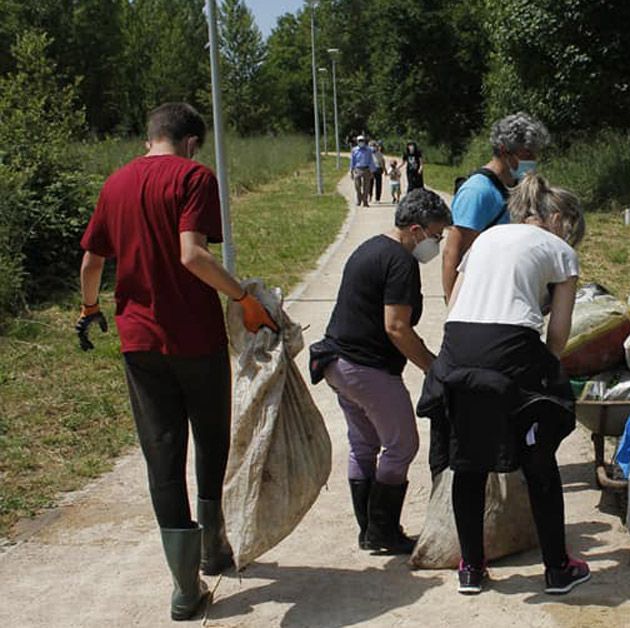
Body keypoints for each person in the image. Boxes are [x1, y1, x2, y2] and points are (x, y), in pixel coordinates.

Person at [75, 102, 279, 621]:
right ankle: (213, 549)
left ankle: (185, 590)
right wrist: (242, 298)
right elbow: (193, 253)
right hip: (194, 339)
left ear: (151, 137)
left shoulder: (114, 183)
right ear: (189, 140)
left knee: (162, 454)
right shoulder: (193, 177)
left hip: (139, 342)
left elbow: (92, 260)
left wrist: (90, 307)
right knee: (209, 439)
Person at [418, 174, 589, 596]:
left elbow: (455, 304)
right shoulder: (560, 250)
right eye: (566, 225)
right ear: (554, 218)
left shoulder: (484, 241)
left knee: (468, 460)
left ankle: (471, 569)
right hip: (512, 348)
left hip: (457, 348)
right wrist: (546, 376)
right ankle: (557, 568)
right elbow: (560, 334)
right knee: (539, 457)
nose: (567, 233)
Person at [315, 188, 450, 555]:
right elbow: (397, 327)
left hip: (337, 364)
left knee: (364, 445)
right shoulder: (400, 261)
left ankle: (368, 531)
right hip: (366, 368)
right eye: (436, 235)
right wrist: (432, 367)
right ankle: (383, 531)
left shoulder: (370, 247)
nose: (436, 243)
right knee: (402, 444)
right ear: (417, 229)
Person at [441, 112, 549, 300]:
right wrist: (453, 308)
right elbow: (452, 253)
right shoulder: (477, 191)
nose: (533, 159)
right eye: (527, 154)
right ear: (503, 150)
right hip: (479, 295)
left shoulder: (514, 185)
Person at [350, 135, 374, 207]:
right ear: (357, 142)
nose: (361, 142)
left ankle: (365, 201)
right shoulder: (354, 150)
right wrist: (351, 170)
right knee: (357, 186)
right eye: (359, 141)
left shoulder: (369, 150)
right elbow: (352, 161)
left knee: (366, 186)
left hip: (366, 169)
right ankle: (359, 198)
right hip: (358, 169)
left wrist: (372, 171)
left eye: (362, 141)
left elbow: (371, 160)